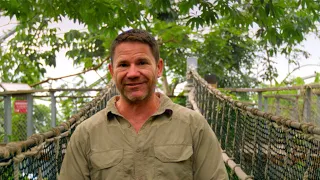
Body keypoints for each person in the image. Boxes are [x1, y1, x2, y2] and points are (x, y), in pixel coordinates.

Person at [59, 29, 228, 180]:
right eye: (123, 65)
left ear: (159, 67)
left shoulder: (193, 126)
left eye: (142, 63)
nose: (132, 73)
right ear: (112, 71)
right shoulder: (86, 133)